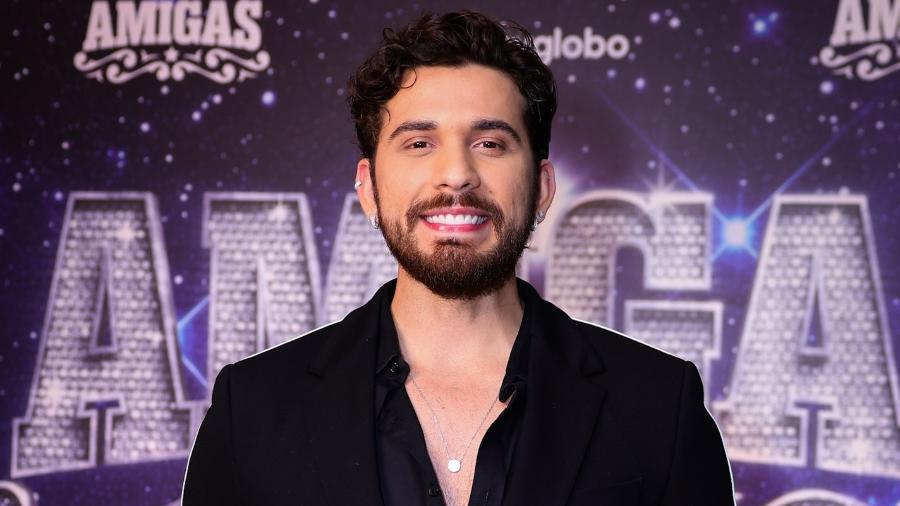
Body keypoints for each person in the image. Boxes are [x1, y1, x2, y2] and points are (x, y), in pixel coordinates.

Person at [182, 10, 734, 506]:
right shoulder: (251, 410)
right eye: (419, 143)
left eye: (490, 143)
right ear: (368, 188)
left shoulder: (659, 406)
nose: (456, 174)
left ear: (542, 187)